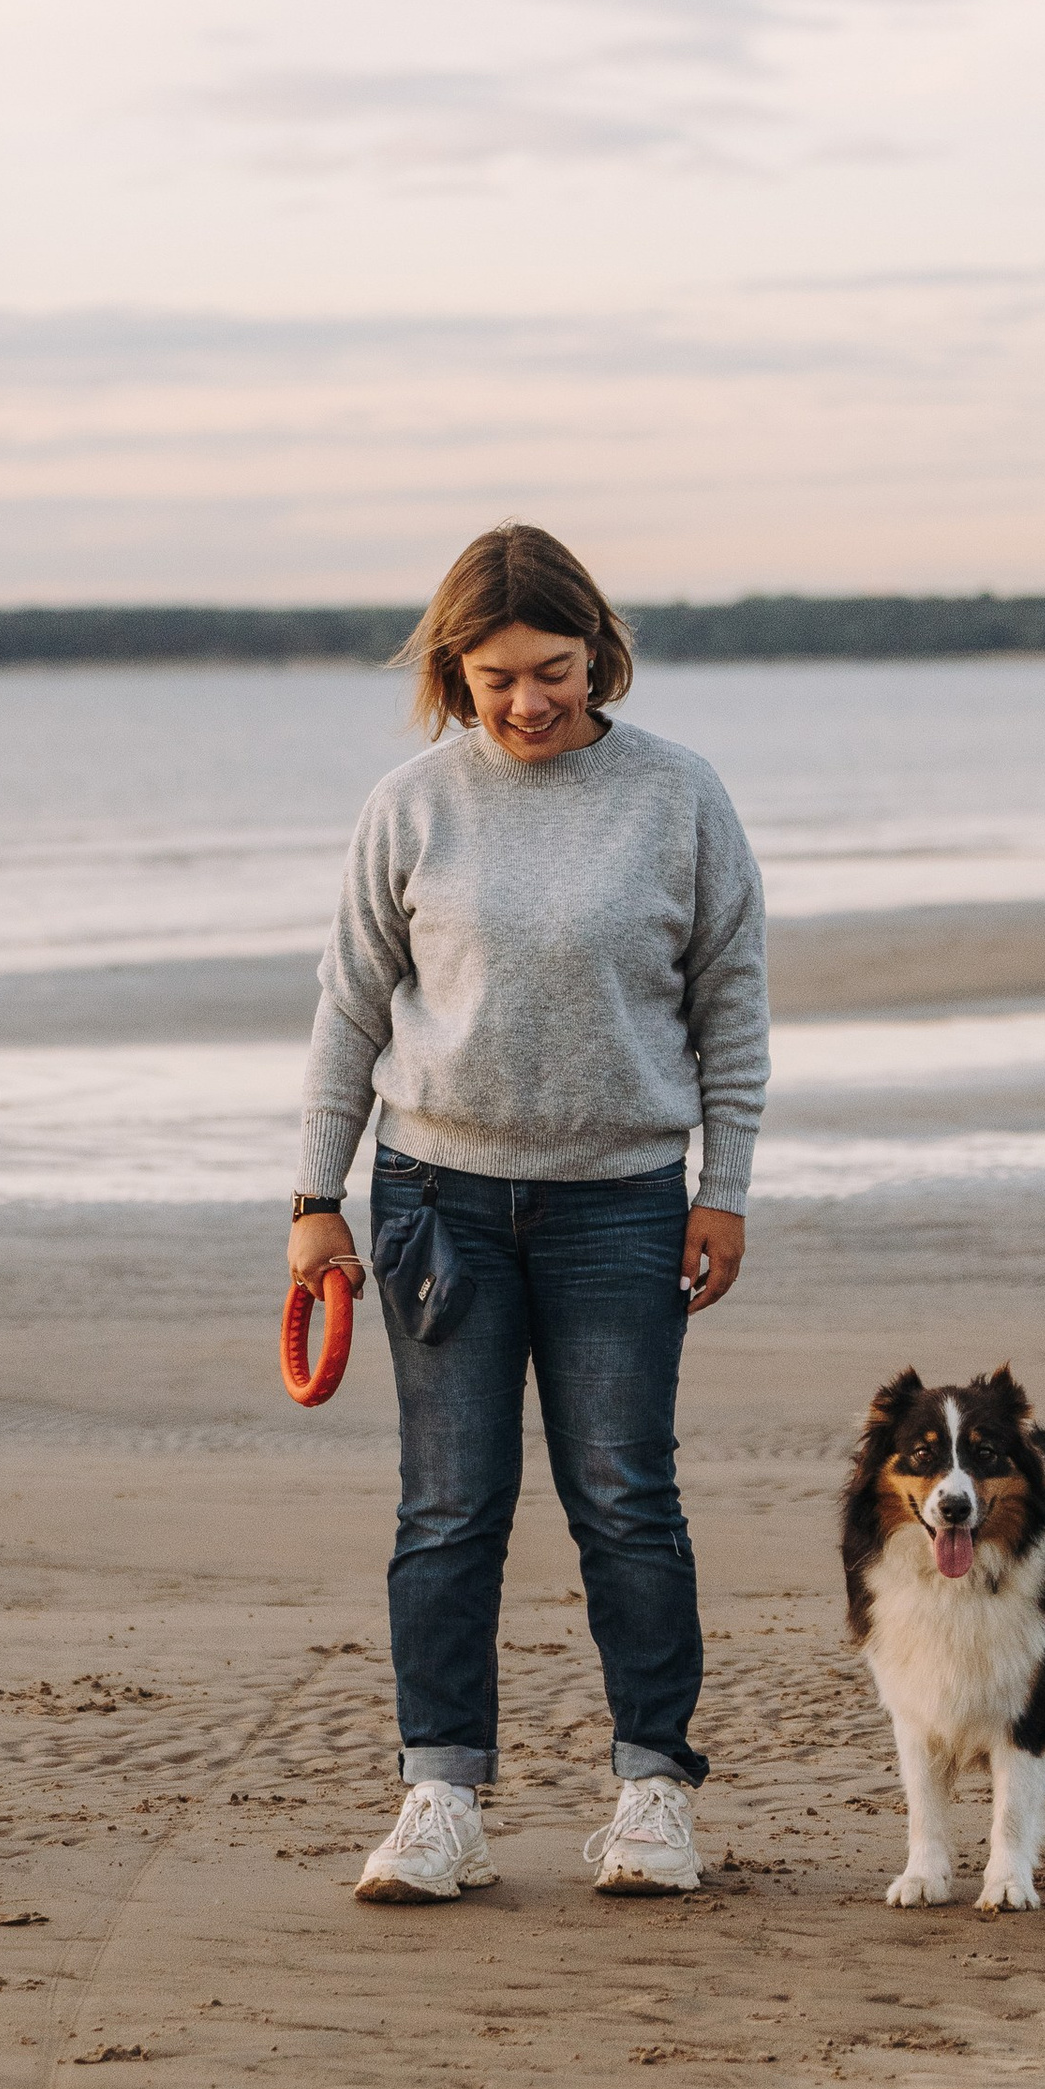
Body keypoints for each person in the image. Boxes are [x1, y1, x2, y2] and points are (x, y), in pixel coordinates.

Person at [289, 522, 769, 1902]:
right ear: (455, 670)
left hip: (622, 1204)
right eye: (495, 676)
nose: (527, 699)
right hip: (437, 1199)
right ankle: (441, 1795)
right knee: (449, 1506)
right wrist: (315, 1196)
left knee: (627, 1498)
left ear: (597, 651)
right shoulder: (412, 804)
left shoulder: (679, 796)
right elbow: (349, 1008)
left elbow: (731, 1002)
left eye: (552, 668)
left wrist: (722, 1188)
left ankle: (654, 1793)